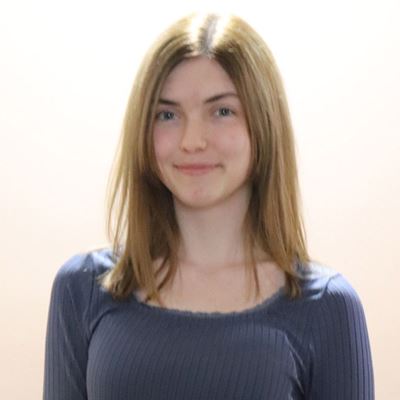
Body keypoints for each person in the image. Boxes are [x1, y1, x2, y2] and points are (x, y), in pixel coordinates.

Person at [43, 12, 374, 400]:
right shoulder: (82, 290)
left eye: (222, 111)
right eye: (168, 115)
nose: (192, 141)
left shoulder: (328, 308)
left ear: (264, 125)